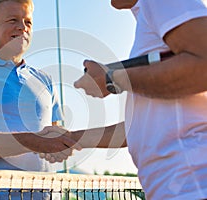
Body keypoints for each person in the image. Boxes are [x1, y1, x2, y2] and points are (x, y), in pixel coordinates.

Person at [43, 0, 207, 199]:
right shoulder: (149, 15)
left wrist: (110, 79)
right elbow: (140, 127)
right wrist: (70, 138)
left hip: (192, 185)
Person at [0, 0, 79, 199]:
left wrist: (61, 143)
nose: (22, 27)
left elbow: (53, 143)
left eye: (28, 22)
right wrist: (37, 142)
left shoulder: (46, 81)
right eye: (13, 20)